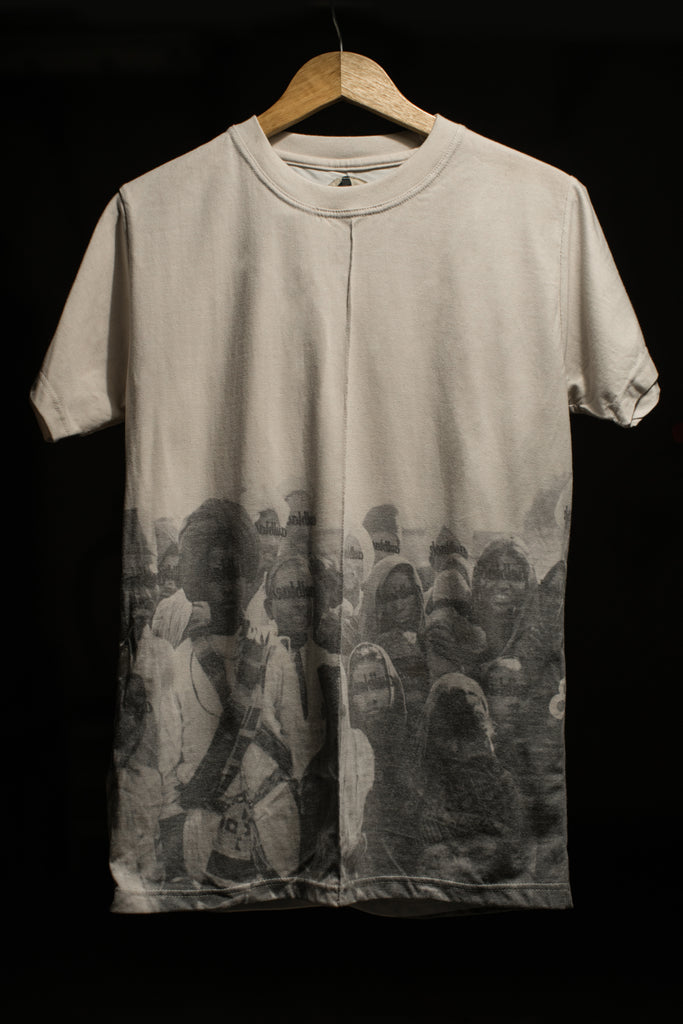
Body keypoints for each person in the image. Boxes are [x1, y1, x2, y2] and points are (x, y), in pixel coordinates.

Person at [156, 498, 264, 884]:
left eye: (237, 572)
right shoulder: (177, 664)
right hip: (200, 838)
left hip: (267, 837)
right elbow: (166, 775)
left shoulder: (272, 654)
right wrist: (176, 864)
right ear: (198, 579)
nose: (228, 585)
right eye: (216, 573)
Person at [412, 673, 531, 883]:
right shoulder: (425, 785)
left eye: (467, 734)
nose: (455, 748)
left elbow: (516, 852)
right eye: (446, 735)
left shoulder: (501, 781)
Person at [346, 642, 413, 876]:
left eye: (377, 685)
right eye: (360, 689)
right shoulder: (348, 750)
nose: (371, 698)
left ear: (392, 686)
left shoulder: (414, 744)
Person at [358, 554, 430, 735]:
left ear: (417, 594)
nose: (399, 605)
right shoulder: (375, 649)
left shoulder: (430, 638)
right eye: (390, 597)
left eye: (405, 594)